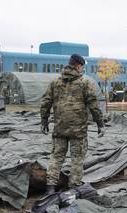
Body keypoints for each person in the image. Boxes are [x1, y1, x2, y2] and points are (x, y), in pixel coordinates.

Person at [40, 54, 104, 194]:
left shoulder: (55, 82)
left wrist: (44, 121)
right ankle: (74, 186)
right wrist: (100, 124)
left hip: (60, 128)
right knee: (77, 158)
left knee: (56, 157)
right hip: (78, 130)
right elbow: (94, 106)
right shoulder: (85, 83)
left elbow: (45, 103)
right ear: (79, 66)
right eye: (82, 67)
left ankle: (50, 187)